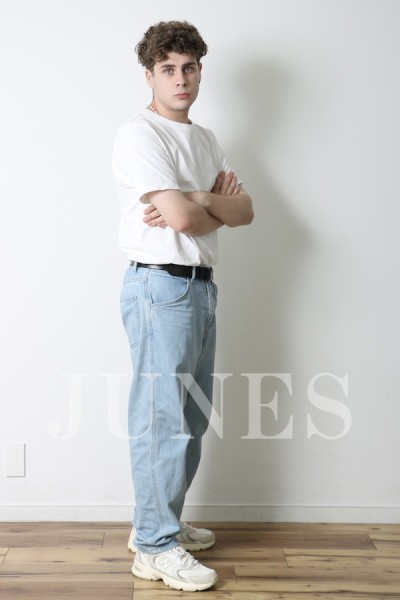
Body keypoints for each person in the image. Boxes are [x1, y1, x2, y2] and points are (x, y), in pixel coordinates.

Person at [112, 20, 253, 592]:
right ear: (149, 75)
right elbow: (185, 220)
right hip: (159, 287)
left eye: (189, 67)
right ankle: (153, 545)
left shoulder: (206, 140)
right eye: (168, 69)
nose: (181, 79)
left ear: (200, 71)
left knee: (191, 420)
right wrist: (205, 204)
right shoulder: (140, 135)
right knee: (161, 421)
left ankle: (158, 524)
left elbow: (245, 212)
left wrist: (195, 196)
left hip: (200, 286)